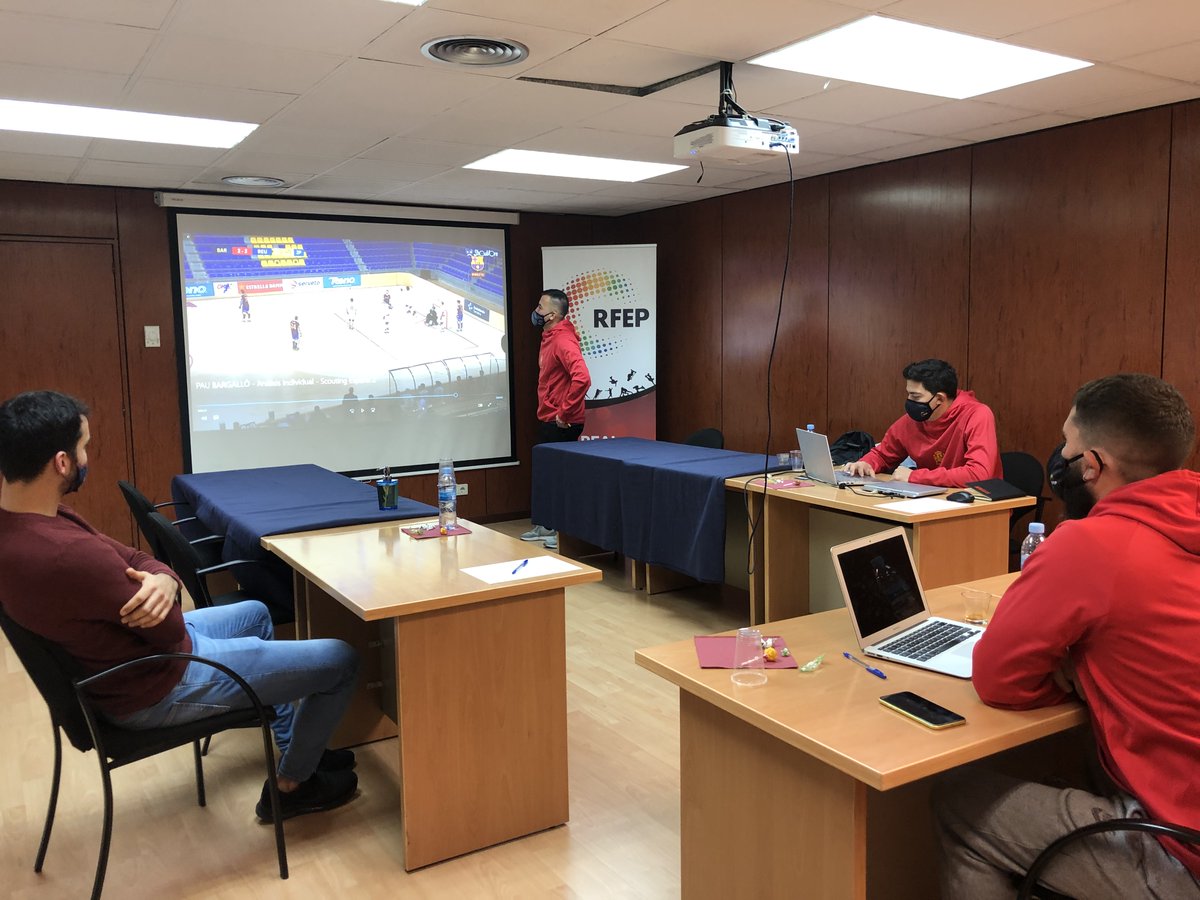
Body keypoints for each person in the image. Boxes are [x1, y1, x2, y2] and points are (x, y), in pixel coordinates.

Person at [0, 391, 361, 823]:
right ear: (61, 462)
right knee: (341, 660)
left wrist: (164, 578)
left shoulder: (32, 522)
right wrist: (162, 588)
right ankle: (294, 786)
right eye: (83, 447)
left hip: (133, 664)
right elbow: (169, 630)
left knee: (257, 613)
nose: (85, 457)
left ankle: (297, 752)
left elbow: (134, 557)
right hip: (157, 683)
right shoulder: (65, 555)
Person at [933, 373, 1200, 899]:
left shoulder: (1092, 544)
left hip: (1182, 852)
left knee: (961, 801)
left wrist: (1073, 675)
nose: (1062, 457)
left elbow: (998, 680)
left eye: (1069, 445)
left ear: (1093, 465)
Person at [845, 358, 999, 486]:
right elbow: (883, 455)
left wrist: (915, 477)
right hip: (930, 499)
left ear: (939, 399)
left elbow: (979, 474)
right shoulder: (913, 420)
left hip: (976, 506)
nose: (909, 402)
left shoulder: (977, 414)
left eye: (916, 396)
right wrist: (866, 463)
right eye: (908, 394)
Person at [521, 289, 591, 551]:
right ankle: (547, 524)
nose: (536, 312)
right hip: (549, 418)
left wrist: (565, 411)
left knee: (561, 478)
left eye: (540, 307)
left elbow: (582, 377)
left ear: (551, 314)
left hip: (562, 423)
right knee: (547, 475)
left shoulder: (562, 340)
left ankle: (562, 531)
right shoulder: (549, 336)